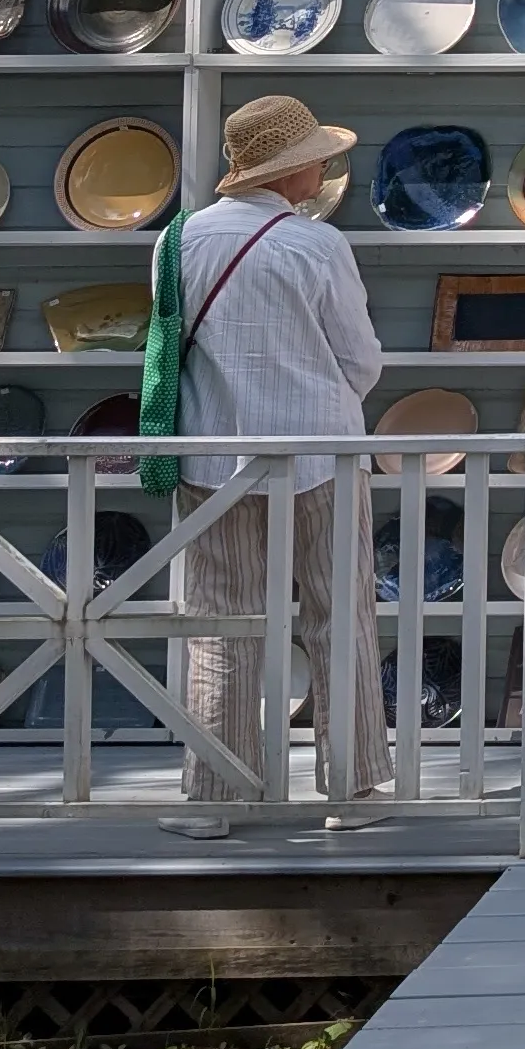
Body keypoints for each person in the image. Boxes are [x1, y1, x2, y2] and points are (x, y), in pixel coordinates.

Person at [159, 92, 388, 834]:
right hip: (319, 453)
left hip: (211, 455)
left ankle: (214, 798)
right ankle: (349, 793)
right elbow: (359, 362)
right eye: (317, 156)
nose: (324, 167)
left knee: (219, 624)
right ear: (292, 169)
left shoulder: (177, 240)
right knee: (338, 615)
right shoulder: (317, 245)